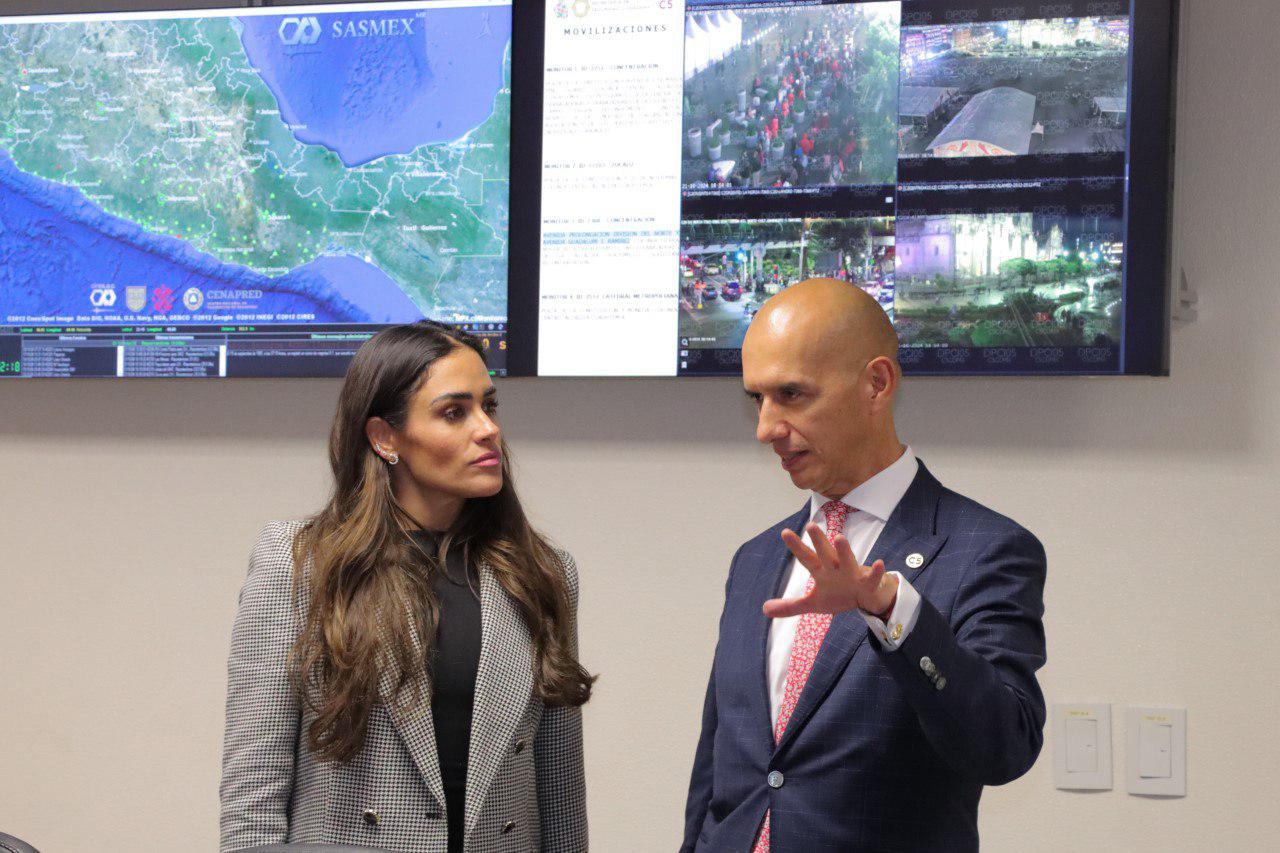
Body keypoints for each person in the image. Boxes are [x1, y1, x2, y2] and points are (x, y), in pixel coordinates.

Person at [681, 279, 1046, 851]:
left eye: (791, 394)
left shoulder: (986, 549)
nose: (765, 429)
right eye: (757, 399)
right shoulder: (755, 560)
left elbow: (1003, 747)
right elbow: (717, 767)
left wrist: (892, 611)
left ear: (877, 383)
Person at [220, 321, 593, 853]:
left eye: (489, 406)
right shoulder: (300, 563)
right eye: (454, 412)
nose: (487, 429)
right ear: (384, 438)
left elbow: (560, 789)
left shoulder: (541, 573)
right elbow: (253, 792)